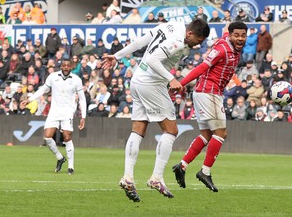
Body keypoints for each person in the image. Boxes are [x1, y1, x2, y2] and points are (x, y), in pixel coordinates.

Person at [102, 19, 210, 201]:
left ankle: (128, 177)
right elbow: (153, 59)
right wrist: (171, 79)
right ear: (190, 33)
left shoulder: (174, 24)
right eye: (197, 41)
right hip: (151, 83)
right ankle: (156, 178)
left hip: (137, 79)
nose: (198, 45)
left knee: (138, 129)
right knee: (171, 130)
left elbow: (143, 40)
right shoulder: (177, 42)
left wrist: (118, 55)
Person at [172, 21, 248, 192]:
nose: (240, 38)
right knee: (221, 133)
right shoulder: (222, 49)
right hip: (209, 92)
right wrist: (181, 83)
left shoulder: (228, 43)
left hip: (206, 92)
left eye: (243, 35)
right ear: (229, 35)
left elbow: (225, 29)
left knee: (206, 135)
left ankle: (182, 166)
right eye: (236, 35)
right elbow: (201, 67)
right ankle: (205, 171)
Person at [20, 59, 86, 175]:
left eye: (68, 65)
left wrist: (83, 116)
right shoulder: (53, 77)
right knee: (47, 137)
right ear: (60, 66)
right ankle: (60, 157)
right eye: (64, 65)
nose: (66, 67)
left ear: (71, 67)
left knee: (67, 137)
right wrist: (29, 99)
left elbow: (82, 99)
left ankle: (71, 166)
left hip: (68, 112)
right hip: (54, 111)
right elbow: (43, 90)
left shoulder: (76, 80)